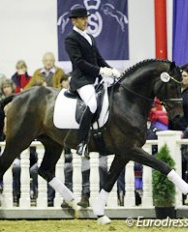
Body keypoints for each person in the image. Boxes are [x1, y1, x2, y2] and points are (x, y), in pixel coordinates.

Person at [65, 7, 120, 158]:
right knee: (93, 104)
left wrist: (112, 70)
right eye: (82, 19)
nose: (85, 21)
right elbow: (79, 62)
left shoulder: (90, 37)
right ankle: (81, 143)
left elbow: (99, 59)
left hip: (95, 79)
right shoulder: (71, 38)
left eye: (86, 18)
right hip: (81, 80)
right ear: (74, 21)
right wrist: (100, 71)